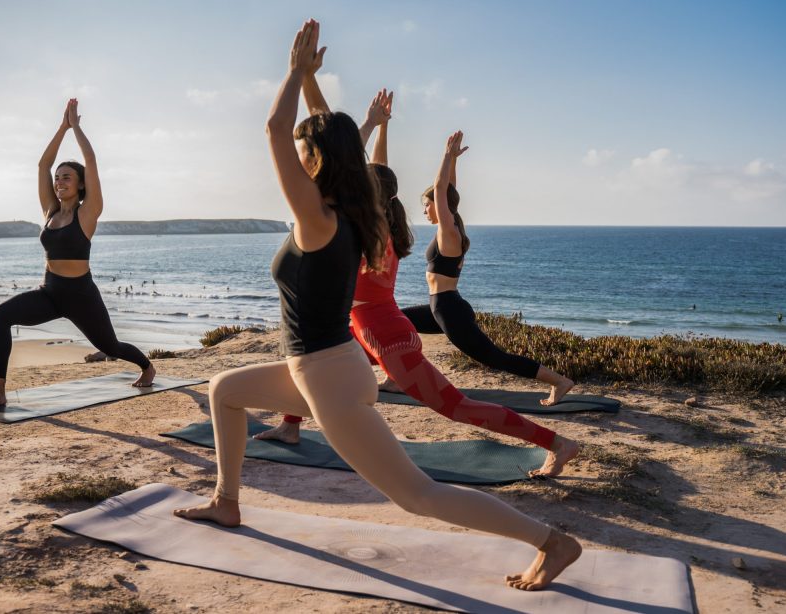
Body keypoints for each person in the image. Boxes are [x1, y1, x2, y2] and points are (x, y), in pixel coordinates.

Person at [174, 20, 581, 591]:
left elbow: (275, 129)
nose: (298, 156)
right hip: (325, 367)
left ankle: (552, 541)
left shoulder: (318, 221)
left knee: (417, 496)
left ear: (317, 159)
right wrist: (332, 101)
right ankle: (227, 502)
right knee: (226, 389)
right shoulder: (353, 208)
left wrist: (295, 73)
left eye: (305, 150)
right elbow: (340, 141)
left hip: (331, 376)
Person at [254, 75, 578, 478]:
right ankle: (290, 425)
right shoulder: (374, 224)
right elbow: (373, 168)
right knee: (307, 371)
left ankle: (557, 443)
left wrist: (340, 102)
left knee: (456, 407)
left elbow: (353, 162)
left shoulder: (362, 228)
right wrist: (381, 124)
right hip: (365, 330)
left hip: (386, 335)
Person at [0, 99, 155, 409]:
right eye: (58, 178)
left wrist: (77, 128)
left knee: (109, 345)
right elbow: (42, 166)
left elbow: (91, 160)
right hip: (51, 292)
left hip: (82, 295)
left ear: (81, 185)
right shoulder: (50, 211)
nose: (58, 181)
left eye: (66, 177)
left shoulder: (88, 214)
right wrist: (61, 128)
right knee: (1, 315)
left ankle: (147, 366)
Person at [397, 133, 574, 406]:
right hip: (440, 306)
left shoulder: (449, 233)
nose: (424, 211)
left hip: (449, 310)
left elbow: (443, 189)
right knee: (395, 324)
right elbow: (449, 191)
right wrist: (453, 161)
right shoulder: (450, 226)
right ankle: (393, 377)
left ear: (439, 205)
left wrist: (446, 156)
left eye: (427, 205)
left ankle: (559, 381)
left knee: (494, 357)